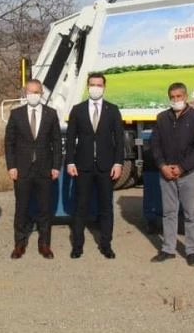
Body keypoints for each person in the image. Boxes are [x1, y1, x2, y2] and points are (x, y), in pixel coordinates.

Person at [65, 72, 125, 259]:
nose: (95, 88)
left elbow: (119, 140)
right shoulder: (77, 110)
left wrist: (118, 163)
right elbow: (70, 138)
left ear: (104, 87)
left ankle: (106, 244)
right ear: (87, 86)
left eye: (99, 85)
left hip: (106, 167)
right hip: (83, 166)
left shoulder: (113, 110)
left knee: (106, 207)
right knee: (80, 207)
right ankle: (77, 246)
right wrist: (70, 162)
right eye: (92, 84)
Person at [149, 82, 194, 266]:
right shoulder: (161, 118)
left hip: (189, 173)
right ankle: (168, 248)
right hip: (166, 173)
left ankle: (191, 250)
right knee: (169, 213)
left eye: (179, 96)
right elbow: (155, 145)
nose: (176, 100)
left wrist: (182, 167)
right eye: (172, 97)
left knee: (191, 213)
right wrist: (162, 166)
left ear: (186, 97)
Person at [4, 79, 62, 259]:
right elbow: (9, 143)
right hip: (22, 169)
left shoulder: (51, 114)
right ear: (25, 93)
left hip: (44, 169)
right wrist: (11, 166)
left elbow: (56, 142)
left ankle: (44, 244)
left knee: (45, 209)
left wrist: (56, 166)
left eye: (37, 92)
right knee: (21, 208)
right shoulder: (16, 114)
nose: (33, 95)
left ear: (42, 94)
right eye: (30, 92)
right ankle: (19, 244)